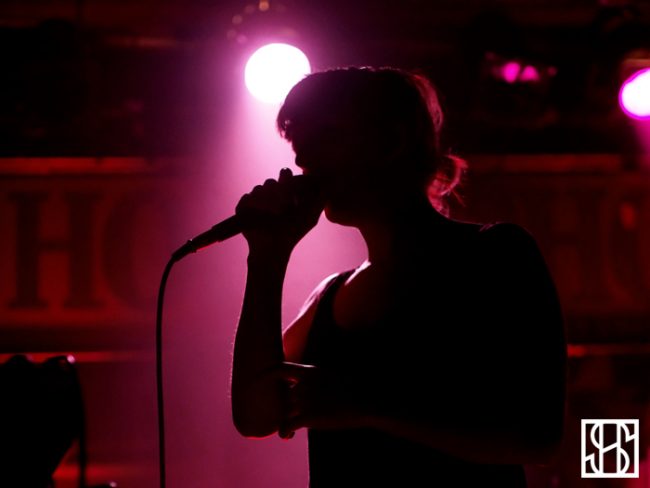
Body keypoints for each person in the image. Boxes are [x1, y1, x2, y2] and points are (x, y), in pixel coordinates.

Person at [230, 66, 567, 487]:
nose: (302, 160)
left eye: (325, 136)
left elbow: (537, 436)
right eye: (300, 145)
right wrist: (267, 258)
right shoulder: (329, 294)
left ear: (391, 141)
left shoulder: (496, 254)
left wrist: (365, 405)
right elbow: (255, 416)